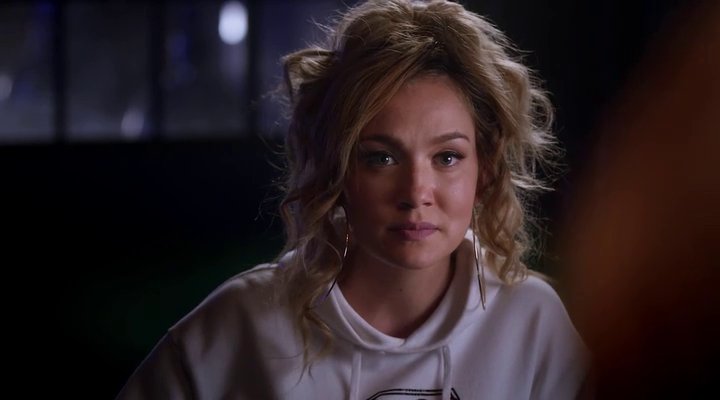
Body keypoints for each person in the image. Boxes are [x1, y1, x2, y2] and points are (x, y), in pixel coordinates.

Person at [116, 0, 589, 398]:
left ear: (484, 170)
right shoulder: (242, 324)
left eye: (447, 157)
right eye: (381, 158)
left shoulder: (531, 321)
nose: (415, 194)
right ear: (337, 168)